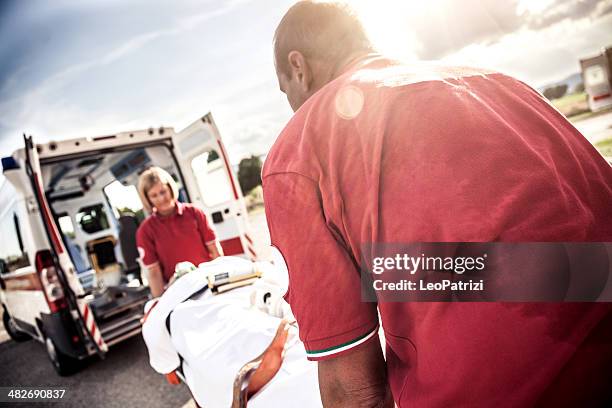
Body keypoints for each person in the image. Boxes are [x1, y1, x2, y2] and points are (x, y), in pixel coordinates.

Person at [262, 1, 612, 407]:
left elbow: (351, 387)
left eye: (286, 90)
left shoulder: (297, 155)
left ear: (298, 66)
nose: (291, 104)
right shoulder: (501, 83)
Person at [136, 166, 223, 297]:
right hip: (178, 291)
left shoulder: (195, 213)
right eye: (154, 195)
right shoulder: (145, 231)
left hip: (208, 282)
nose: (161, 199)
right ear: (147, 199)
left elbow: (215, 250)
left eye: (163, 192)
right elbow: (154, 273)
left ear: (170, 188)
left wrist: (224, 279)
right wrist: (160, 304)